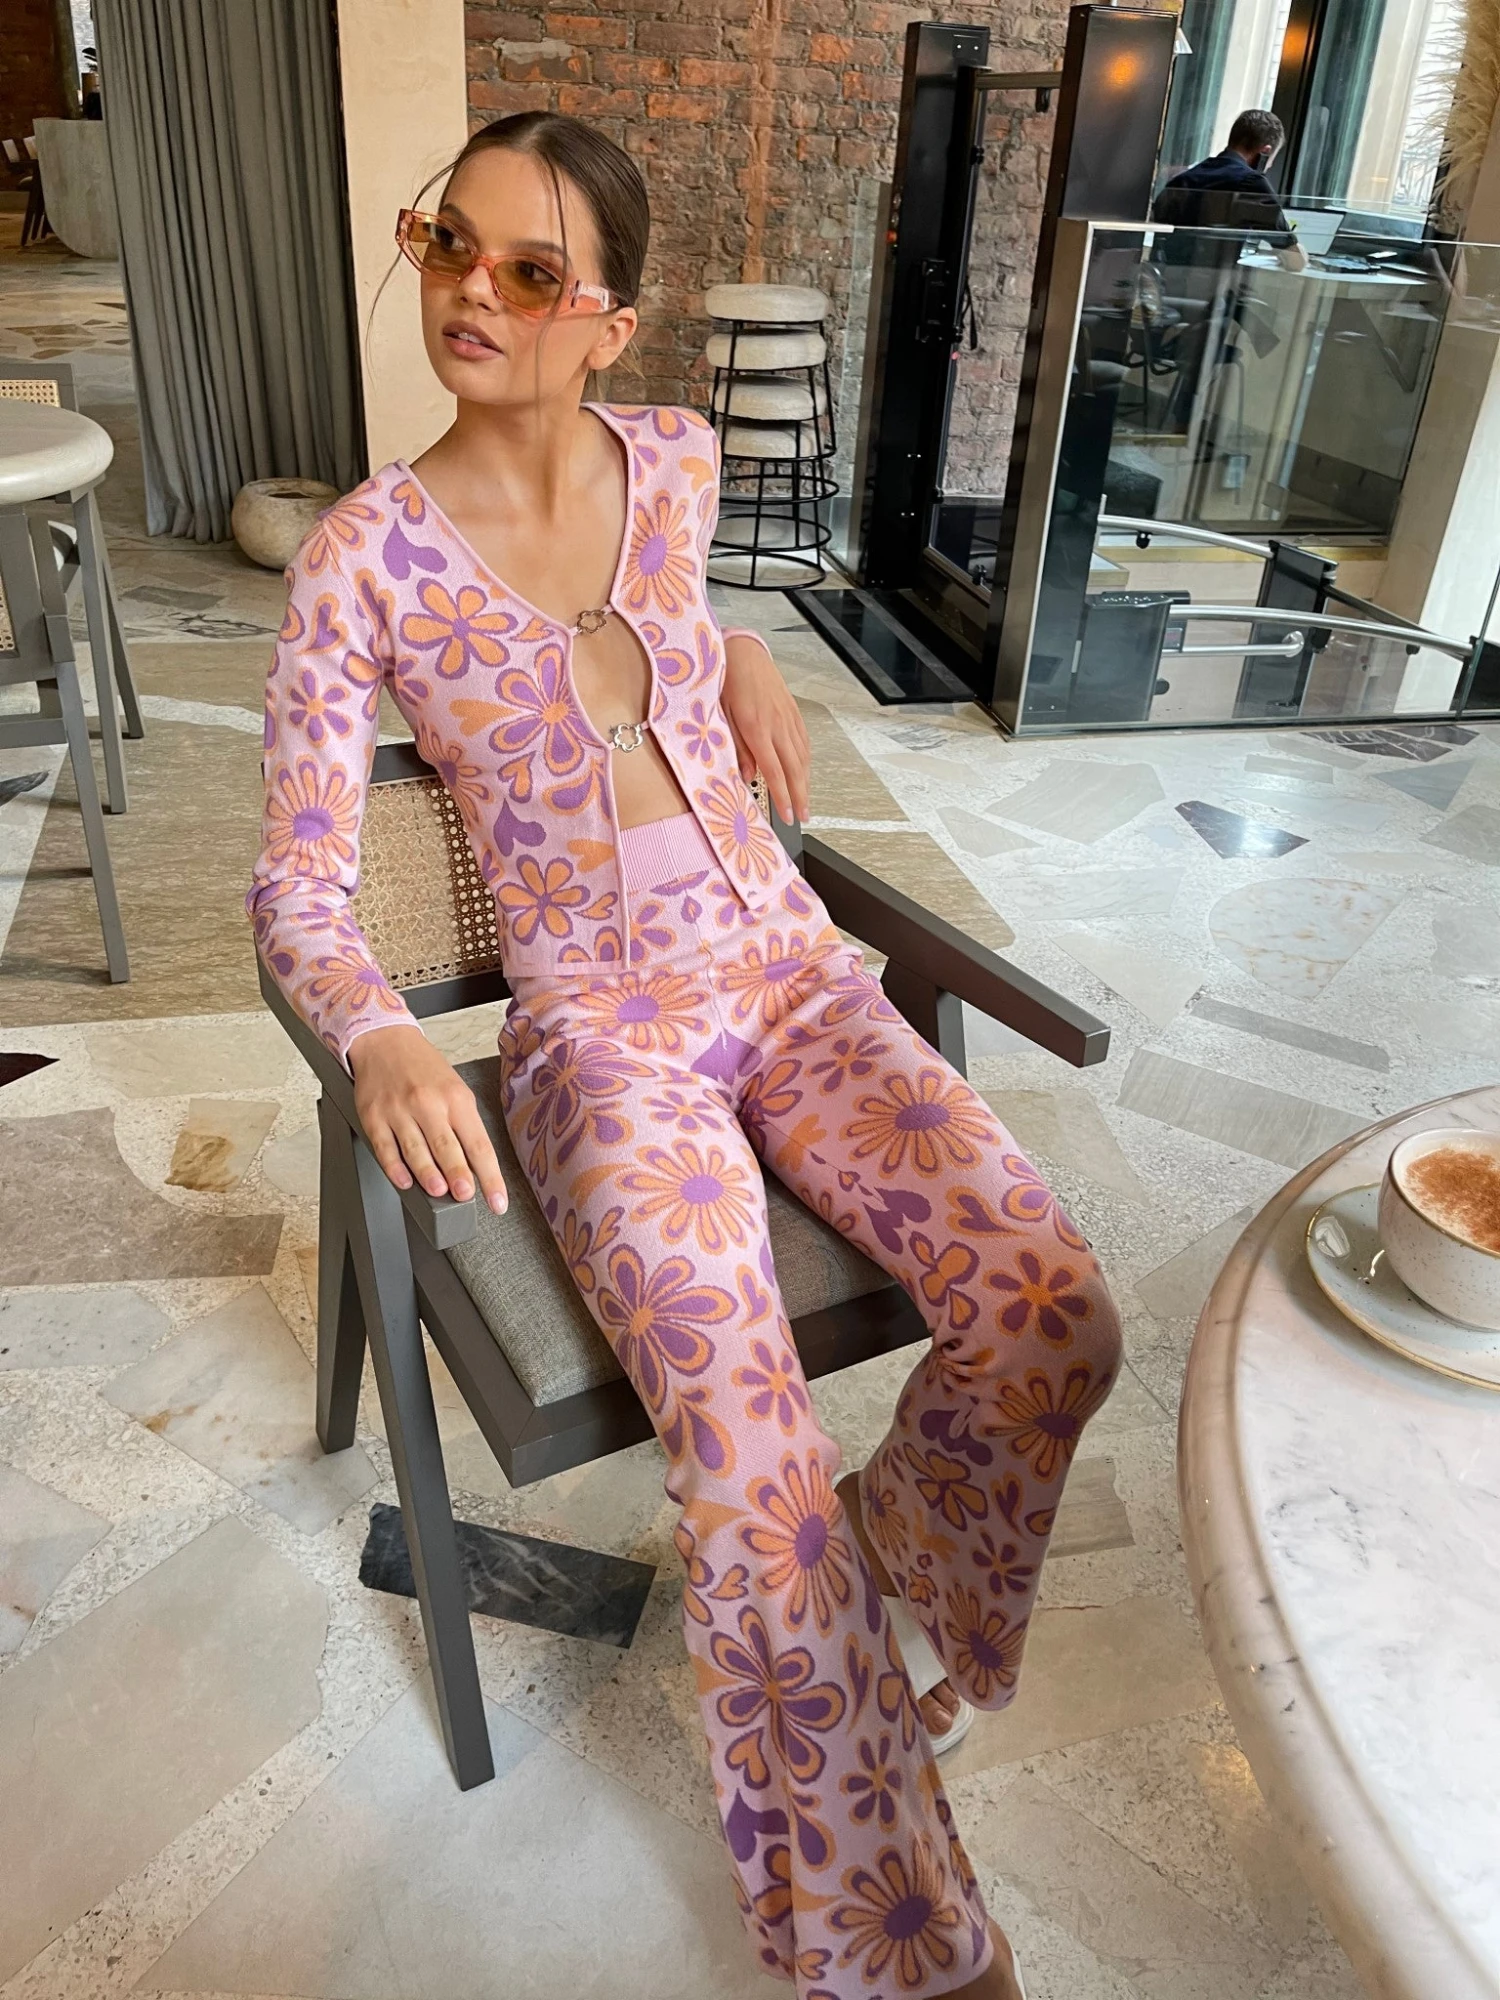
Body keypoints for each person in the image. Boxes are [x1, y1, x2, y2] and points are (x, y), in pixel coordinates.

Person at [248, 110, 1122, 2000]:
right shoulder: (359, 562)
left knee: (1055, 1312)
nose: (472, 291)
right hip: (601, 1044)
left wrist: (739, 649)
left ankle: (903, 1555)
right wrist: (380, 1032)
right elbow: (298, 882)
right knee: (748, 1472)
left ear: (609, 322)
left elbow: (664, 610)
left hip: (796, 978)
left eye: (532, 271)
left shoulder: (680, 459)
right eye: (447, 241)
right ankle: (894, 1951)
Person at [1152, 107, 1308, 271]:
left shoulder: (1183, 179)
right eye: (1272, 159)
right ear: (1266, 151)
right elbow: (1296, 262)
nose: (1270, 165)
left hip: (1167, 279)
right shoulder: (1252, 184)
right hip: (1212, 282)